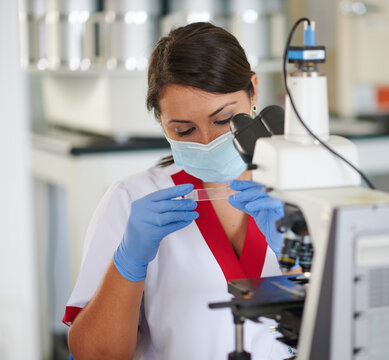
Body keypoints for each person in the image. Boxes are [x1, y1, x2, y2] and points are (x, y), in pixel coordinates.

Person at [64, 22, 299, 359]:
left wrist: (301, 264)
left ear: (253, 92)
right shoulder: (131, 200)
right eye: (184, 129)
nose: (207, 142)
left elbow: (356, 328)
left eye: (223, 121)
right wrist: (128, 262)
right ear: (161, 122)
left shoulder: (306, 187)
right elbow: (95, 354)